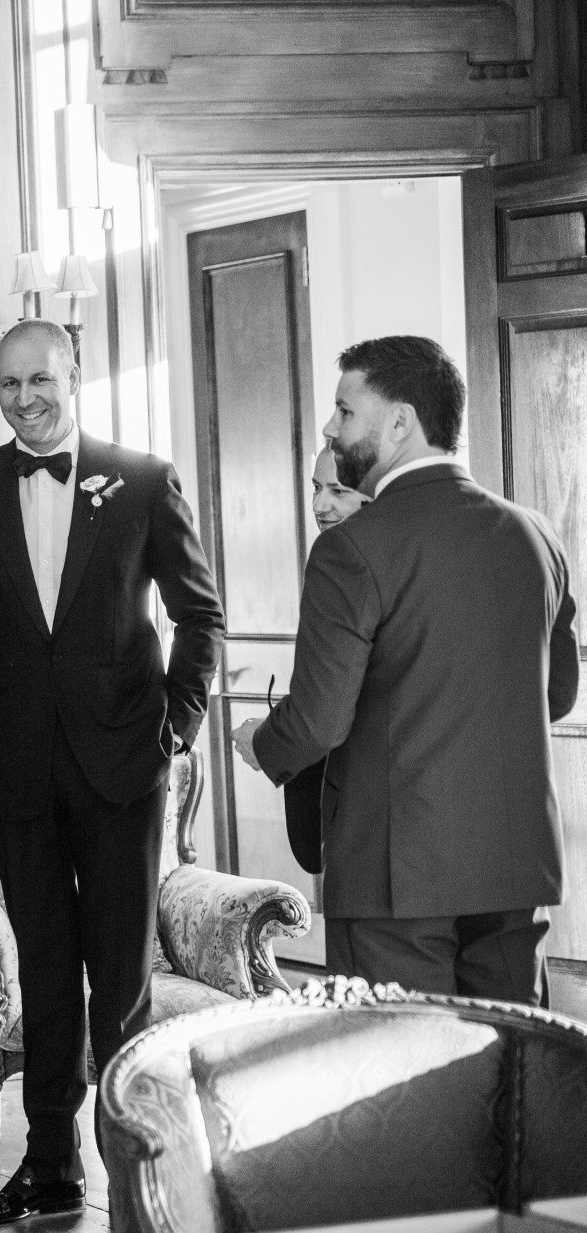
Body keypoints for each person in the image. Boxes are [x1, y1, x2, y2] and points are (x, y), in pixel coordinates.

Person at [0, 319, 224, 1227]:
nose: (24, 399)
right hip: (13, 769)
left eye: (40, 381)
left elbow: (200, 616)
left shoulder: (144, 480)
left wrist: (174, 730)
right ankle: (50, 1167)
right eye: (8, 384)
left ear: (74, 376)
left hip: (125, 766)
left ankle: (132, 1171)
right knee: (47, 972)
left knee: (122, 979)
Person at [233, 336, 578, 1004]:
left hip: (394, 875)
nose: (330, 428)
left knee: (401, 1065)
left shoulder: (351, 548)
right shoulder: (537, 536)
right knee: (510, 1054)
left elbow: (318, 723)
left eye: (344, 410)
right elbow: (556, 695)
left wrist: (261, 743)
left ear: (399, 422)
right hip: (513, 865)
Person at [282, 444, 369, 874]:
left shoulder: (343, 558)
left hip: (365, 798)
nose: (319, 506)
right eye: (316, 488)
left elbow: (327, 716)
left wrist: (267, 741)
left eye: (338, 491)